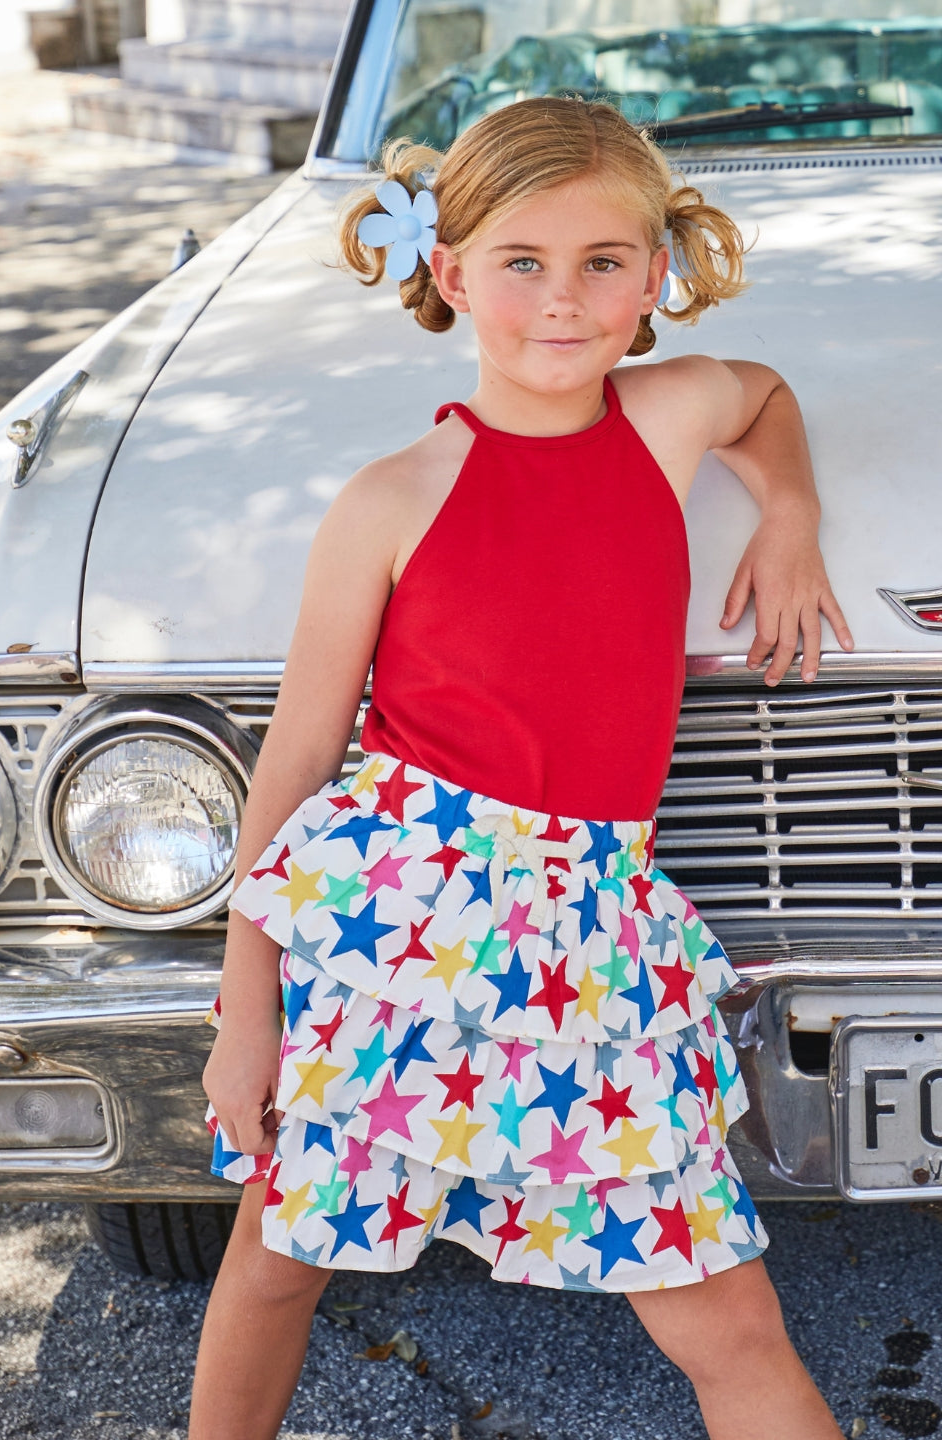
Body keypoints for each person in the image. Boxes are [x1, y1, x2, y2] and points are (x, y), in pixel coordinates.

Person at [189, 97, 853, 1440]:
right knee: (277, 1262)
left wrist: (790, 512)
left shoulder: (663, 424)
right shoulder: (396, 495)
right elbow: (302, 759)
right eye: (522, 264)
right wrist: (242, 1005)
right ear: (451, 272)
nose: (565, 301)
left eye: (604, 262)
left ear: (655, 275)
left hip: (592, 940)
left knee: (724, 1315)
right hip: (400, 930)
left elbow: (764, 397)